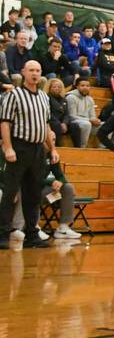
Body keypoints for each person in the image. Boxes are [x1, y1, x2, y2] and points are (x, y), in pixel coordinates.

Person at [0, 60, 56, 250]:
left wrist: (53, 149)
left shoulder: (44, 97)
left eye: (38, 70)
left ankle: (32, 235)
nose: (34, 73)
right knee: (10, 193)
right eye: (31, 70)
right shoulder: (14, 95)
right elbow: (5, 123)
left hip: (38, 149)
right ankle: (3, 234)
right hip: (19, 147)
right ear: (23, 72)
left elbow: (46, 126)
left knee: (33, 195)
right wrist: (8, 148)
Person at [11, 155, 81, 240]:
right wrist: (51, 182)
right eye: (51, 140)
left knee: (68, 187)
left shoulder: (53, 156)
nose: (52, 143)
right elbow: (31, 177)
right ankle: (33, 227)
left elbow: (61, 176)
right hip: (30, 191)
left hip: (45, 192)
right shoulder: (33, 153)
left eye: (54, 140)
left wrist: (59, 182)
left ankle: (63, 229)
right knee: (33, 189)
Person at [65, 78, 101, 148]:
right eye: (82, 85)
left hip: (87, 122)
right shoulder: (71, 97)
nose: (85, 88)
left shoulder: (90, 99)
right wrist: (90, 120)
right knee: (86, 124)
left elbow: (92, 115)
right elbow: (72, 116)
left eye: (87, 86)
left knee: (104, 125)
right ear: (77, 86)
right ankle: (82, 148)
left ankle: (102, 148)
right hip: (74, 123)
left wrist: (96, 120)